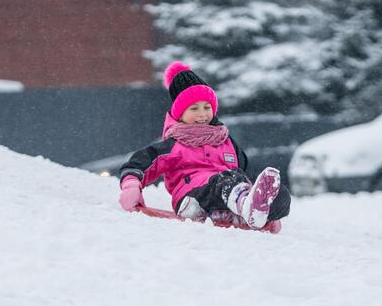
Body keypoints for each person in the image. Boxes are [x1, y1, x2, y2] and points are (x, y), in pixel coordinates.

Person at [117, 61, 290, 232]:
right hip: (193, 195)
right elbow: (139, 164)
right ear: (180, 114)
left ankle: (255, 211)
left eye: (207, 107)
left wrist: (270, 207)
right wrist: (132, 185)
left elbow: (248, 172)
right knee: (225, 179)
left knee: (279, 191)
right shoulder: (175, 144)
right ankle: (242, 208)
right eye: (194, 109)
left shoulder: (226, 141)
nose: (202, 114)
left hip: (230, 193)